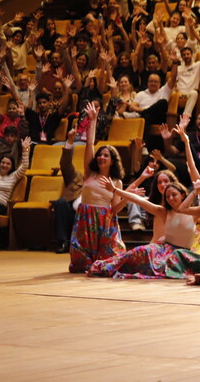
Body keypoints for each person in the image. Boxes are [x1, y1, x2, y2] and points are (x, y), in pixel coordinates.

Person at [88, 179, 200, 279]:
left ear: (182, 195)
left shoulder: (194, 213)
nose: (170, 198)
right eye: (167, 196)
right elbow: (138, 200)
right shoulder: (164, 212)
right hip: (163, 249)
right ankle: (107, 266)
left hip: (180, 255)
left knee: (158, 266)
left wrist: (197, 190)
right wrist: (115, 190)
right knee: (141, 251)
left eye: (174, 195)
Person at [69, 103, 125, 273]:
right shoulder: (90, 173)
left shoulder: (116, 181)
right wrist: (92, 121)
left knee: (106, 262)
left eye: (105, 155)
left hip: (104, 220)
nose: (101, 157)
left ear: (112, 160)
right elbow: (89, 145)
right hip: (85, 216)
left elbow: (115, 209)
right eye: (100, 154)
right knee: (80, 263)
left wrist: (127, 197)